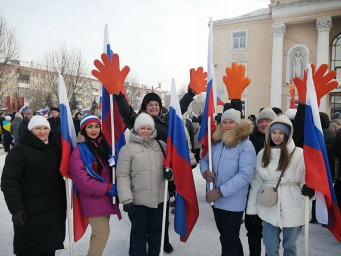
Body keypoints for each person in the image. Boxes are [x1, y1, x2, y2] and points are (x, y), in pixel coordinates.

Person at [247, 115, 315, 256]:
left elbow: (306, 180)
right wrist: (251, 210)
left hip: (293, 204)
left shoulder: (299, 154)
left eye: (281, 133)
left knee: (290, 246)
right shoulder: (262, 154)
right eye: (274, 132)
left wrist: (310, 190)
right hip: (268, 204)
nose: (277, 136)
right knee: (270, 246)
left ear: (288, 134)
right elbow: (256, 182)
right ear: (269, 133)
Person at [1, 115, 66, 256]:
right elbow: (9, 182)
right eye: (37, 128)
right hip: (29, 211)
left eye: (45, 128)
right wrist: (16, 208)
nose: (42, 132)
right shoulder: (18, 151)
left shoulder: (56, 148)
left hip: (52, 209)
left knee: (49, 248)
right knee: (30, 248)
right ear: (30, 130)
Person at [200, 108, 256, 256]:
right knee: (226, 237)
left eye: (231, 122)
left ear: (238, 124)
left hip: (232, 201)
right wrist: (205, 172)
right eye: (225, 122)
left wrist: (220, 192)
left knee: (228, 237)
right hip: (215, 200)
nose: (228, 125)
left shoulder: (245, 145)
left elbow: (245, 175)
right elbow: (205, 160)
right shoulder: (216, 142)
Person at [117, 113, 170, 256]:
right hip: (138, 201)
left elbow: (170, 167)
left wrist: (170, 174)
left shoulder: (161, 146)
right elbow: (122, 176)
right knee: (139, 233)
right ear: (136, 129)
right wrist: (126, 199)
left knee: (156, 232)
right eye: (142, 128)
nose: (146, 131)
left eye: (148, 128)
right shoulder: (127, 149)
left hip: (159, 200)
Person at [70, 114, 122, 256]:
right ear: (83, 129)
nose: (94, 129)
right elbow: (82, 181)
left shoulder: (104, 146)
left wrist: (116, 161)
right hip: (92, 198)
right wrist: (108, 188)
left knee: (98, 235)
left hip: (105, 198)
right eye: (89, 127)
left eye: (97, 126)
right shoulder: (79, 151)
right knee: (102, 233)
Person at [246, 107, 277, 256]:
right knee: (253, 230)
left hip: (273, 193)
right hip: (253, 190)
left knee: (272, 232)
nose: (264, 124)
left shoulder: (280, 140)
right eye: (261, 121)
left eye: (268, 121)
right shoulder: (250, 138)